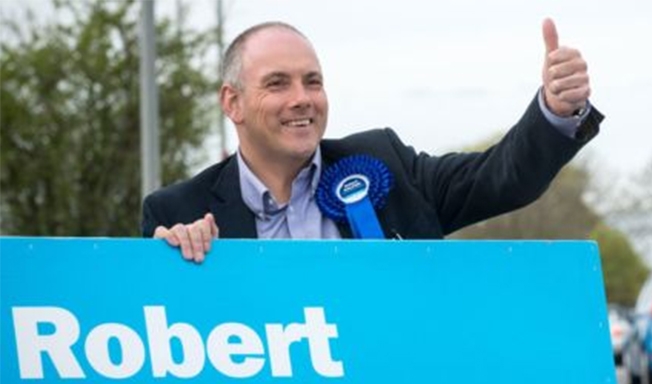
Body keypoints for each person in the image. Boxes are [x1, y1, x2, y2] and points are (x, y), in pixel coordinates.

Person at [142, 18, 603, 262]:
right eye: (278, 83)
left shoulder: (385, 164)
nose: (302, 99)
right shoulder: (178, 212)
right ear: (233, 102)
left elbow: (502, 179)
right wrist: (170, 262)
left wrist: (555, 110)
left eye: (313, 82)